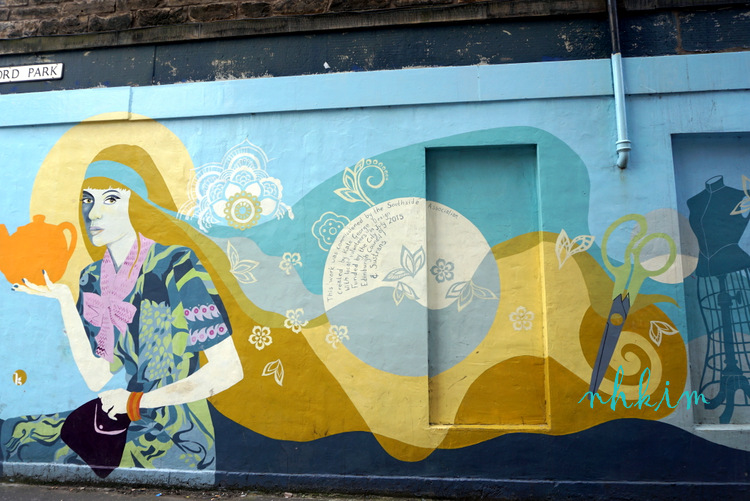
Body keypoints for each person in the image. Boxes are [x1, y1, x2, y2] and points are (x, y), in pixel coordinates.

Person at [0, 152, 243, 473]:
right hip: (118, 421)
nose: (93, 212)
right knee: (13, 434)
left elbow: (228, 370)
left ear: (137, 204)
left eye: (111, 198)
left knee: (27, 449)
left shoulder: (177, 265)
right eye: (88, 200)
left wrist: (135, 402)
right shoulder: (91, 278)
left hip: (176, 432)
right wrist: (64, 300)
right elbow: (96, 376)